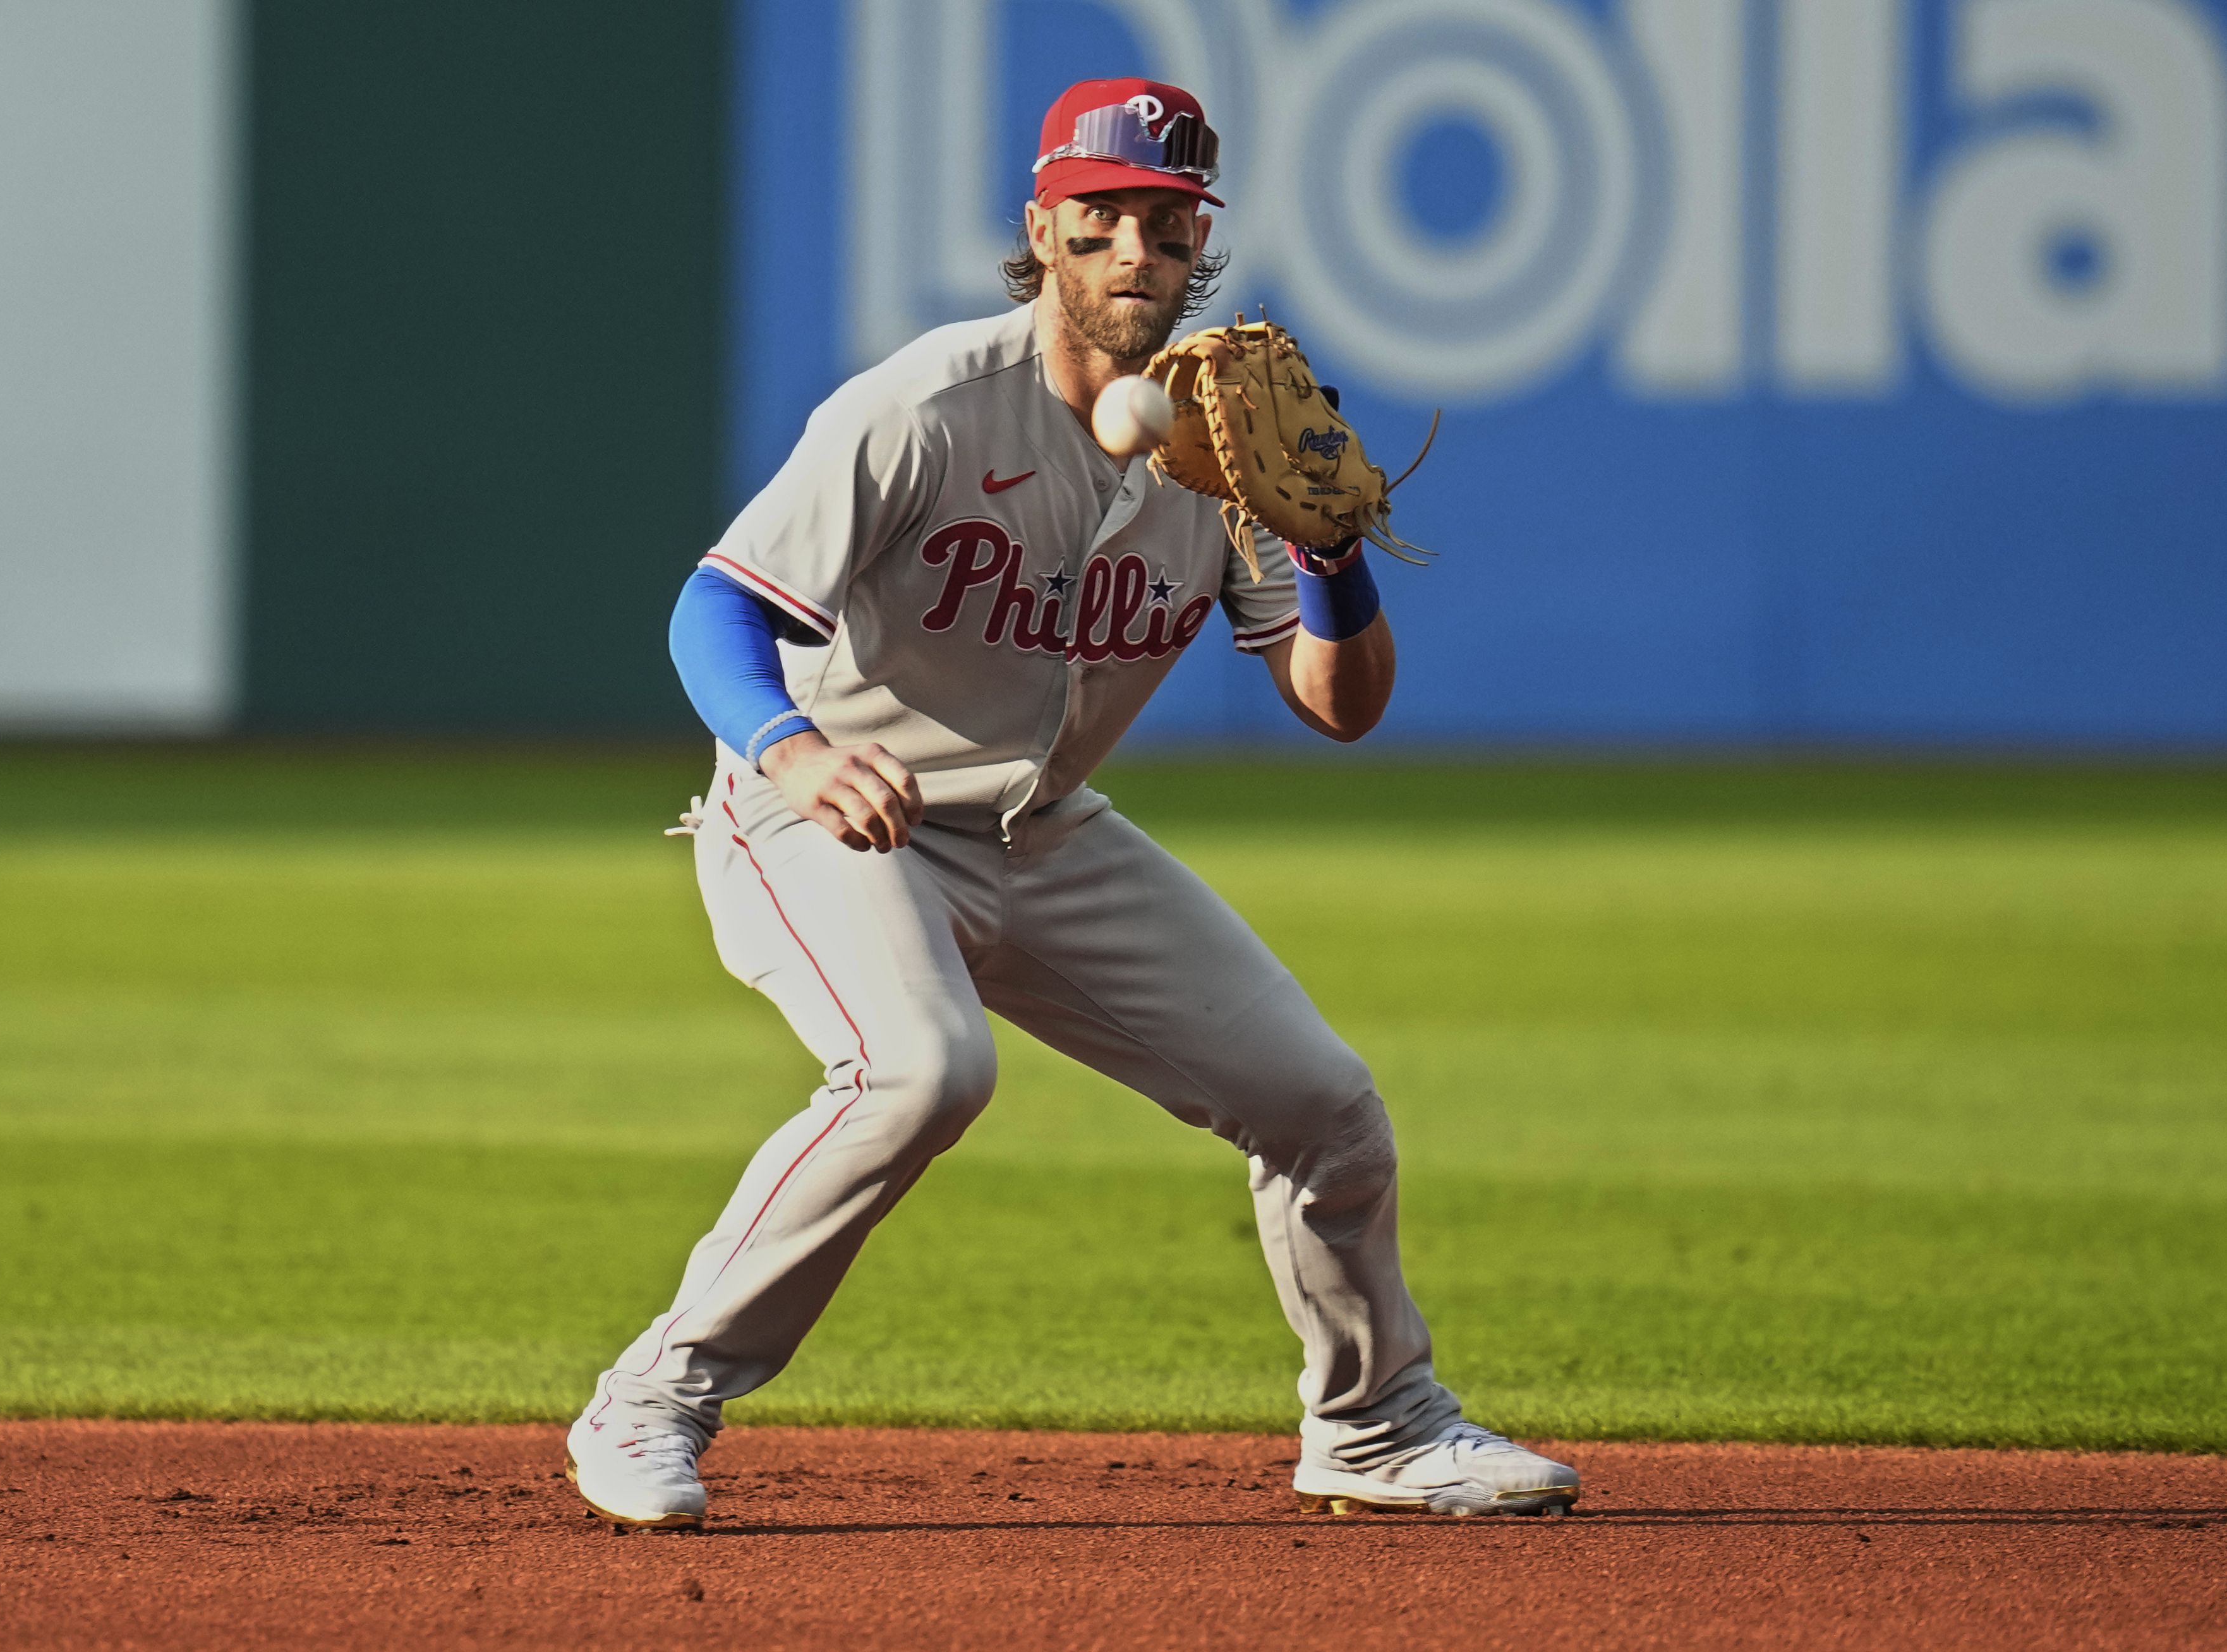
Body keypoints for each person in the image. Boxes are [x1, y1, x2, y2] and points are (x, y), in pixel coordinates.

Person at [569, 76, 1579, 1529]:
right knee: (923, 1072)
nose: (1133, 256)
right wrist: (791, 750)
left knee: (1325, 1108)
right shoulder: (921, 408)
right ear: (1042, 231)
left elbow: (1340, 707)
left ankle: (1376, 1426)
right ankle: (657, 1394)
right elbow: (714, 610)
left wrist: (1332, 559)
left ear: (1193, 255)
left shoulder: (1218, 441)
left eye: (1165, 231)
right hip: (836, 815)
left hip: (1042, 832)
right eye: (1100, 221)